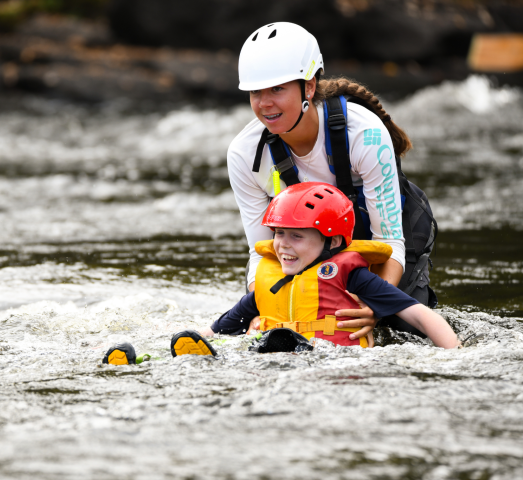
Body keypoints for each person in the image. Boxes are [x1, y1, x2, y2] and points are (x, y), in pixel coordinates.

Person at [226, 22, 430, 342]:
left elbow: (391, 244)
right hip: (307, 246)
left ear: (308, 87)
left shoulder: (365, 135)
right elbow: (261, 252)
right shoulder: (244, 154)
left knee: (401, 331)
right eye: (255, 92)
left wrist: (372, 308)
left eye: (277, 89)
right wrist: (269, 307)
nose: (264, 104)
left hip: (387, 242)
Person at [170, 183, 458, 354]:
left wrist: (455, 356)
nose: (283, 245)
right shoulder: (269, 281)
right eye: (279, 234)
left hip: (334, 365)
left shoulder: (353, 277)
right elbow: (217, 331)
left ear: (331, 240)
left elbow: (420, 316)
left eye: (297, 236)